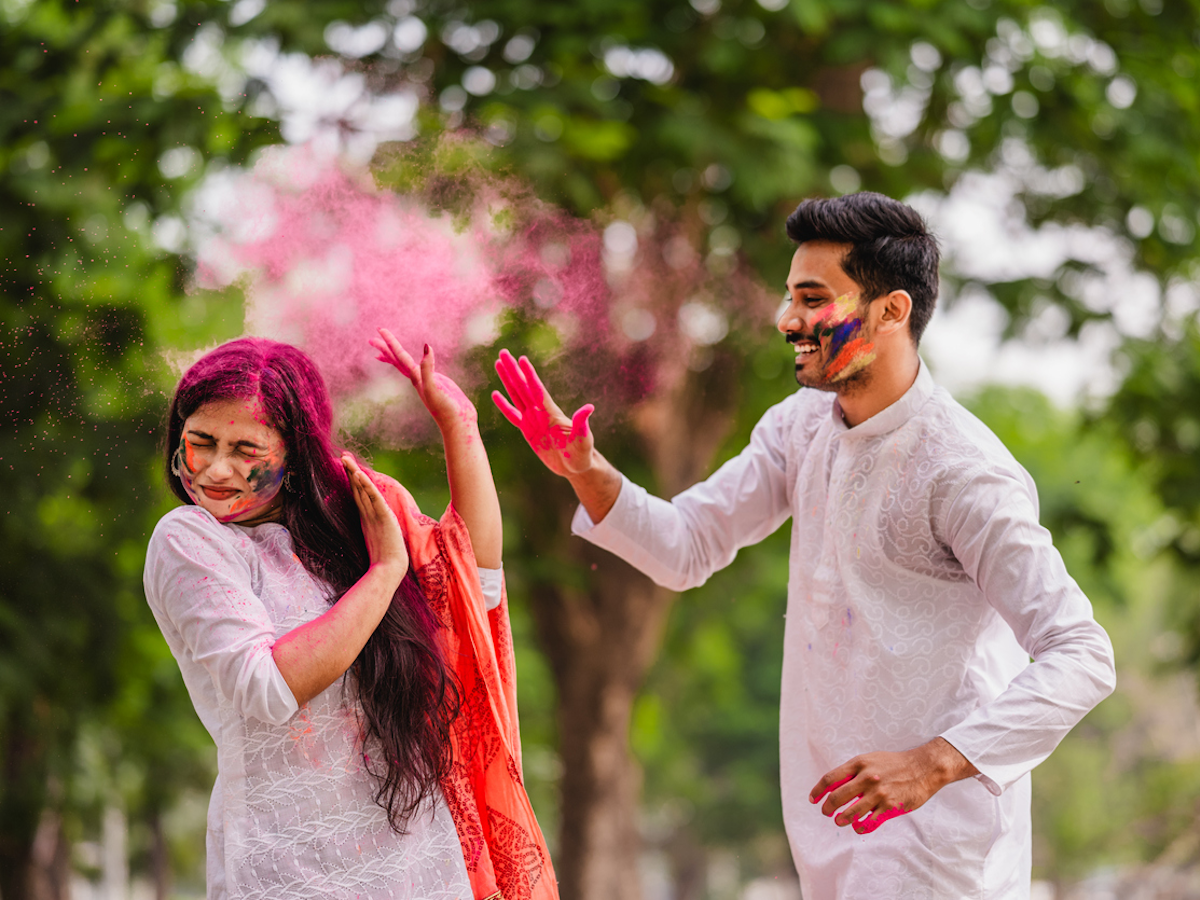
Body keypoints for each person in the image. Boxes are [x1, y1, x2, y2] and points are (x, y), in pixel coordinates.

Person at [491, 192, 1116, 899]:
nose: (788, 320)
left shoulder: (964, 471)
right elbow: (687, 546)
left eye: (813, 299)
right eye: (790, 297)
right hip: (830, 827)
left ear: (892, 311)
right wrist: (585, 470)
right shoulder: (801, 427)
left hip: (940, 845)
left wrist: (933, 763)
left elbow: (1082, 655)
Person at [143, 331, 557, 900]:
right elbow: (266, 688)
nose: (216, 470)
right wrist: (385, 573)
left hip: (421, 863)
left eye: (245, 451)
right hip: (286, 868)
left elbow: (472, 582)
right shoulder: (189, 539)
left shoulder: (354, 523)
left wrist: (459, 426)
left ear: (295, 454)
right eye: (201, 442)